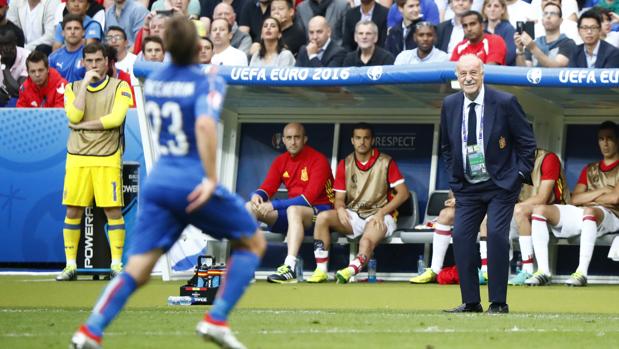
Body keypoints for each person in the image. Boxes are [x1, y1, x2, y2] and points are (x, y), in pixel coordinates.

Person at [69, 17, 266, 349]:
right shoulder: (206, 81)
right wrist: (212, 178)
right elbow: (204, 125)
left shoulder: (156, 80)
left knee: (138, 268)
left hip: (160, 182)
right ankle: (217, 318)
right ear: (197, 48)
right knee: (253, 242)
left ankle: (91, 330)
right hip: (191, 182)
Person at [440, 54, 536, 313]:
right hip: (468, 187)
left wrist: (517, 176)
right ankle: (471, 302)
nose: (468, 78)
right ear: (457, 77)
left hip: (500, 185)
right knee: (460, 236)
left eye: (473, 72)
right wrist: (455, 181)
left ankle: (498, 302)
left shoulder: (505, 102)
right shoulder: (449, 104)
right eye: (463, 74)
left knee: (495, 234)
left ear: (483, 73)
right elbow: (447, 148)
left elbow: (527, 143)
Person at [56, 42, 133, 284]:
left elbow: (115, 118)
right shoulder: (71, 88)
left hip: (107, 156)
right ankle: (70, 265)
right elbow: (73, 115)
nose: (94, 66)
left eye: (98, 60)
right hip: (77, 157)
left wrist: (82, 127)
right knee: (73, 210)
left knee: (112, 210)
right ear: (83, 63)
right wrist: (84, 87)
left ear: (108, 62)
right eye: (89, 61)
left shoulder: (121, 87)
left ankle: (117, 264)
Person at [307, 123, 410, 284]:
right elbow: (339, 198)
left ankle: (351, 269)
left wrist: (382, 212)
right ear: (352, 141)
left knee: (366, 241)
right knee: (322, 218)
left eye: (366, 138)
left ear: (372, 140)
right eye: (358, 138)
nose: (362, 142)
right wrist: (340, 209)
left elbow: (404, 193)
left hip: (381, 215)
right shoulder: (345, 163)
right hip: (354, 214)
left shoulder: (385, 162)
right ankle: (321, 270)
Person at [527, 121, 619, 287]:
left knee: (589, 211)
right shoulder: (590, 168)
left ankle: (581, 272)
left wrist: (590, 199)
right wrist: (603, 190)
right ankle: (543, 271)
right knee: (540, 209)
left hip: (613, 216)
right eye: (601, 139)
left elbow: (614, 199)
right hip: (586, 213)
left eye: (610, 138)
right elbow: (574, 198)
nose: (605, 143)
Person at [247, 123, 333, 283]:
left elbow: (307, 199)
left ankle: (289, 267)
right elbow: (267, 188)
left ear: (304, 139)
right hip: (292, 215)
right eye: (289, 138)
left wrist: (273, 205)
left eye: (297, 137)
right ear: (283, 140)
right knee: (249, 207)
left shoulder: (318, 160)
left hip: (319, 214)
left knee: (294, 209)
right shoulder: (281, 161)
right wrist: (256, 196)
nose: (293, 142)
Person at [506, 148, 570, 285]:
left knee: (520, 210)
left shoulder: (548, 158)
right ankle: (489, 270)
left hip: (557, 212)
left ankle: (528, 269)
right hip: (525, 211)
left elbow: (542, 198)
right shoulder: (509, 160)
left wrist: (514, 207)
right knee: (491, 216)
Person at [514, 2, 576, 67]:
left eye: (553, 13)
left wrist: (533, 48)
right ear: (542, 20)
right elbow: (523, 71)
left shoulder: (567, 43)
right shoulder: (535, 42)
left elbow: (557, 67)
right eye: (545, 13)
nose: (548, 16)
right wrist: (520, 51)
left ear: (561, 20)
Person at [49, 14, 86, 82]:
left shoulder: (89, 55)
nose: (72, 32)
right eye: (69, 28)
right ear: (63, 33)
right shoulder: (53, 57)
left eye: (76, 28)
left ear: (83, 32)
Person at [482, 0, 515, 65]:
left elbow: (509, 56)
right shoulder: (479, 28)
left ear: (503, 10)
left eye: (496, 6)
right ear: (484, 10)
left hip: (501, 70)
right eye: (489, 6)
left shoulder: (509, 29)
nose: (492, 9)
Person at [0, 31, 28, 107]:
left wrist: (4, 65)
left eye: (8, 44)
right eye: (1, 45)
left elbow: (19, 91)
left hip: (22, 100)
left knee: (14, 101)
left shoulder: (27, 56)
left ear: (15, 42)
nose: (5, 49)